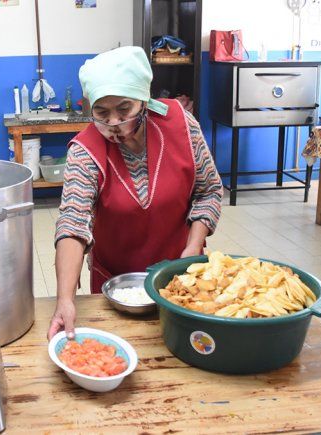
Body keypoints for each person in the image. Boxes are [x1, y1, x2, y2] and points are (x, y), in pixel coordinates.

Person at [47, 46, 223, 339]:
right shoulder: (85, 150)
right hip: (117, 286)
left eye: (124, 109)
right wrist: (64, 299)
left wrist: (193, 248)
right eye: (102, 113)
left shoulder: (181, 125)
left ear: (143, 100)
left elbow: (209, 191)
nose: (113, 122)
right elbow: (73, 222)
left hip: (181, 274)